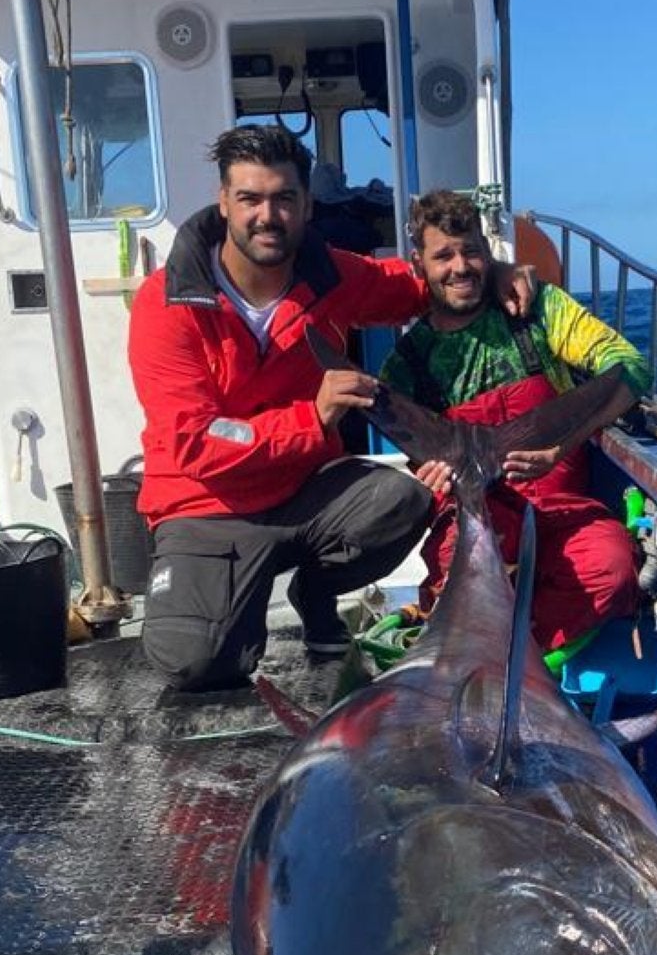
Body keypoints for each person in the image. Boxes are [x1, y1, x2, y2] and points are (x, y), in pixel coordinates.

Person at [128, 126, 530, 689]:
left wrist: (493, 273)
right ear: (224, 203)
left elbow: (420, 284)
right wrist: (311, 418)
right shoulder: (166, 304)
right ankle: (228, 602)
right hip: (207, 506)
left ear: (307, 205)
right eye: (250, 198)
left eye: (284, 199)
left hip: (302, 494)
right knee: (194, 664)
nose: (268, 216)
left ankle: (315, 593)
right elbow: (195, 443)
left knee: (401, 499)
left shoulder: (330, 273)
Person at [379, 189, 651, 656]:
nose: (460, 267)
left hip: (562, 506)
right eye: (443, 256)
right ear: (419, 264)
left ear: (489, 254)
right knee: (452, 580)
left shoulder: (538, 309)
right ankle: (492, 663)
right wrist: (431, 478)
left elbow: (630, 366)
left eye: (471, 252)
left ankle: (525, 666)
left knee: (612, 566)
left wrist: (560, 447)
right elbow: (416, 460)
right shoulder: (407, 364)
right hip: (476, 515)